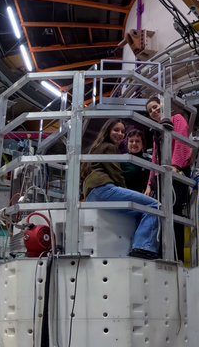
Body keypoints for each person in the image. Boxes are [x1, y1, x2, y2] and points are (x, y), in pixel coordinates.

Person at [81, 118, 161, 260]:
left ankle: (136, 246)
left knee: (138, 213)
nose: (120, 134)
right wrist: (124, 192)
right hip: (103, 189)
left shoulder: (96, 147)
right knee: (154, 206)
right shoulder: (109, 147)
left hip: (91, 193)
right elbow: (116, 174)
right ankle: (143, 248)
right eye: (116, 130)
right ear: (108, 131)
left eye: (122, 131)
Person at [145, 96, 191, 262]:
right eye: (150, 110)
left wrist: (176, 166)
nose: (154, 111)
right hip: (161, 174)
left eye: (156, 107)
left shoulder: (176, 119)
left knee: (174, 212)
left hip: (175, 172)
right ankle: (161, 253)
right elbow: (155, 157)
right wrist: (150, 183)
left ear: (164, 106)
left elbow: (181, 141)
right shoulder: (158, 130)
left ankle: (175, 255)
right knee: (160, 214)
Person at [121, 128, 151, 193]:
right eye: (131, 141)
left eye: (137, 141)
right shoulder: (121, 160)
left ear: (142, 144)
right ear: (127, 144)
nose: (134, 143)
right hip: (124, 195)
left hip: (144, 196)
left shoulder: (149, 161)